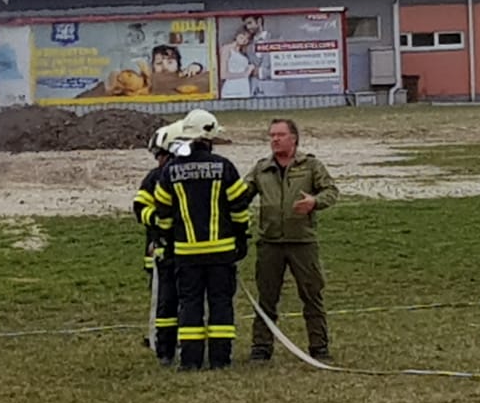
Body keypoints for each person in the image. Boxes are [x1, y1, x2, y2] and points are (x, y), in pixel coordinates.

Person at [152, 109, 254, 370]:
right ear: (209, 136)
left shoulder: (171, 171)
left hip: (186, 254)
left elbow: (163, 212)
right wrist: (241, 238)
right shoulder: (225, 167)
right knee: (220, 304)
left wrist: (167, 239)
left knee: (190, 305)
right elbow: (239, 208)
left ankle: (191, 360)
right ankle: (220, 360)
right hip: (222, 253)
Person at [246, 118, 340, 361]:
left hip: (302, 243)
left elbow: (331, 191)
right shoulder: (261, 168)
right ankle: (261, 347)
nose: (275, 139)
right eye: (271, 135)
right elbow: (240, 195)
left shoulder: (310, 166)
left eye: (280, 135)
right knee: (266, 297)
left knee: (312, 294)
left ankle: (319, 347)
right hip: (269, 244)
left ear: (294, 138)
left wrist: (314, 203)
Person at [132, 123, 179, 363]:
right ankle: (160, 341)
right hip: (160, 250)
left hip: (180, 250)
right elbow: (140, 208)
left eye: (160, 155)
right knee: (162, 301)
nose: (158, 161)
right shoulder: (154, 178)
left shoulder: (177, 174)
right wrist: (159, 224)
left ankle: (175, 342)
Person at [219, 27, 257, 99]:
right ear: (237, 35)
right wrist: (244, 74)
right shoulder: (227, 49)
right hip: (231, 87)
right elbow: (223, 74)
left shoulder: (244, 53)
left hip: (244, 86)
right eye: (242, 37)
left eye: (247, 39)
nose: (244, 40)